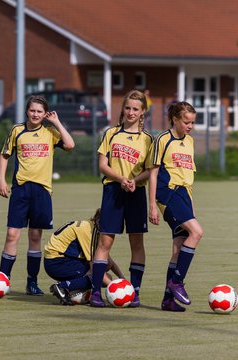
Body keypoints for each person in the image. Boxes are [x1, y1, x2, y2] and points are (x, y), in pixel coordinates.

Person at [0, 95, 75, 295]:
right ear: (27, 111)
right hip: (21, 189)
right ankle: (2, 280)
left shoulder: (50, 132)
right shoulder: (17, 130)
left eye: (40, 111)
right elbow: (5, 154)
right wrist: (1, 179)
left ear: (45, 114)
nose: (35, 114)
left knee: (35, 236)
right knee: (12, 234)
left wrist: (56, 122)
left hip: (42, 191)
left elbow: (70, 145)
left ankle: (31, 283)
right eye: (32, 110)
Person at [90, 89, 153, 308]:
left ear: (143, 111)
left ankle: (134, 292)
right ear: (122, 109)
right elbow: (102, 165)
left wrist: (135, 180)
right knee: (105, 241)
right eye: (127, 108)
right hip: (113, 191)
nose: (131, 112)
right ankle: (96, 292)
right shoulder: (111, 134)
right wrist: (122, 179)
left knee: (136, 242)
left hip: (136, 193)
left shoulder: (148, 140)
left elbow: (150, 170)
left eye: (136, 109)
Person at [148, 101, 203, 312]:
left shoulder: (189, 141)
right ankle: (177, 281)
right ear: (175, 119)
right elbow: (153, 173)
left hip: (184, 196)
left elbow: (188, 177)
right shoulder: (162, 139)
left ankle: (168, 300)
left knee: (178, 248)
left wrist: (192, 207)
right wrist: (152, 205)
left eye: (192, 122)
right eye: (186, 122)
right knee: (197, 233)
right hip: (168, 192)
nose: (190, 126)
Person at [45, 208, 125, 305]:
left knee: (105, 270)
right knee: (100, 276)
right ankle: (62, 286)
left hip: (60, 260)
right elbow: (95, 269)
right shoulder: (90, 231)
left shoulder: (92, 226)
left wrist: (123, 280)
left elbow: (109, 262)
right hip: (57, 262)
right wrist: (117, 289)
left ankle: (71, 289)